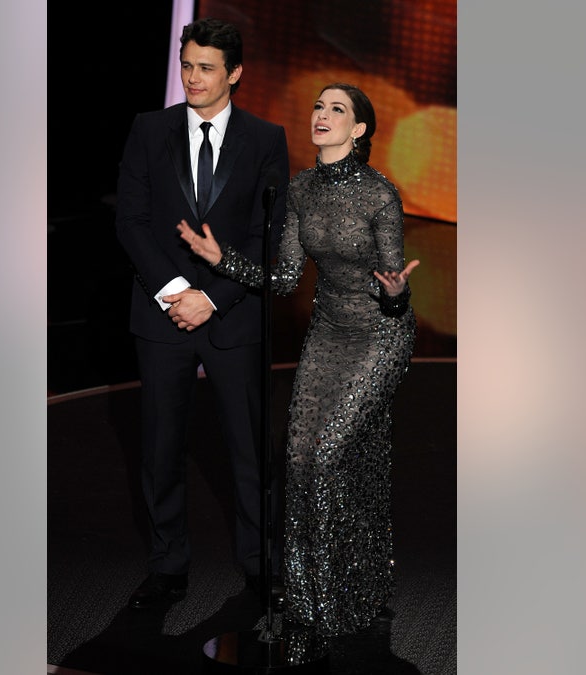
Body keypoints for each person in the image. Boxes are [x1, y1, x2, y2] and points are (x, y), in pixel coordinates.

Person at [176, 83, 420, 636]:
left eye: (338, 110)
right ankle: (320, 593)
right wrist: (224, 259)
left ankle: (341, 594)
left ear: (359, 130)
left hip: (380, 334)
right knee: (301, 458)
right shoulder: (301, 189)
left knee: (331, 454)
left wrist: (397, 293)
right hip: (329, 332)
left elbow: (393, 280)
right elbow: (285, 278)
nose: (322, 115)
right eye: (318, 106)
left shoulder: (381, 195)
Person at [114, 17, 290, 611]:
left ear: (234, 74)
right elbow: (131, 221)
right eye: (187, 65)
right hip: (161, 315)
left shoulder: (266, 139)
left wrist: (211, 296)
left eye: (206, 67)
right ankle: (167, 567)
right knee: (160, 448)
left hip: (232, 316)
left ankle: (261, 566)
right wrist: (173, 291)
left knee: (249, 450)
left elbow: (266, 234)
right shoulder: (148, 128)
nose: (192, 77)